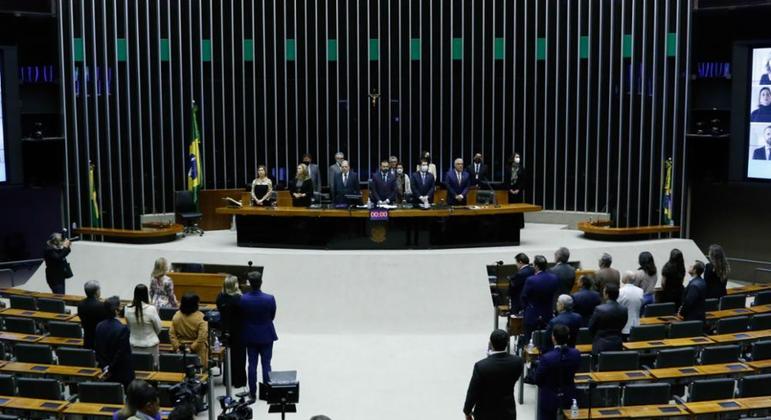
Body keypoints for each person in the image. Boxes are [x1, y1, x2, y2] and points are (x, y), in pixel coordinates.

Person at [463, 329, 523, 420]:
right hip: (507, 412)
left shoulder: (481, 366)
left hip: (485, 413)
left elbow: (473, 391)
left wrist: (467, 411)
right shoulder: (517, 362)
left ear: (490, 344)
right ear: (507, 344)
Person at [240, 271, 278, 400]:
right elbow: (272, 316)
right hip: (266, 334)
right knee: (266, 364)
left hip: (250, 335)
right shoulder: (269, 298)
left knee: (252, 365)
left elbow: (243, 316)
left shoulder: (243, 298)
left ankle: (252, 392)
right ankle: (267, 392)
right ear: (261, 282)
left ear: (249, 283)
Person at [534, 324, 581, 420]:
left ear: (553, 338)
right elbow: (576, 369)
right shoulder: (576, 354)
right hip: (568, 394)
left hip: (549, 396)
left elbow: (537, 379)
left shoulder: (547, 358)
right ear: (568, 337)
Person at [95, 296, 135, 387]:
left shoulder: (99, 326)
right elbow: (121, 353)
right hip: (121, 372)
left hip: (105, 370)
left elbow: (98, 348)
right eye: (120, 306)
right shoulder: (123, 329)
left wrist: (106, 367)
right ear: (116, 311)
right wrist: (111, 368)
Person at [521, 255, 560, 343]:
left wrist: (526, 308)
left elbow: (523, 297)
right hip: (548, 314)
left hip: (532, 315)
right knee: (546, 341)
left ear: (536, 266)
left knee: (529, 342)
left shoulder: (531, 280)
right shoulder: (554, 278)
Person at [216, 275, 246, 388]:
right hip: (238, 330)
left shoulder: (220, 297)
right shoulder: (239, 298)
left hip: (225, 329)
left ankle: (228, 379)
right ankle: (239, 381)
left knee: (228, 356)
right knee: (240, 356)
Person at [124, 284, 163, 366]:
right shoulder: (151, 309)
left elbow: (129, 327)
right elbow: (159, 327)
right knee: (153, 368)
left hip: (133, 344)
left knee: (135, 368)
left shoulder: (127, 308)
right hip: (150, 344)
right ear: (146, 294)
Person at [169, 292, 209, 368]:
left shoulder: (177, 315)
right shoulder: (201, 317)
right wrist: (191, 348)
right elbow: (202, 337)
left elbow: (172, 334)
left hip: (181, 349)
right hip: (198, 352)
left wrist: (177, 347)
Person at [587, 284, 627, 355]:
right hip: (617, 342)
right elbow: (623, 324)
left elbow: (591, 328)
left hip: (601, 343)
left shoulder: (599, 309)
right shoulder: (624, 309)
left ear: (607, 294)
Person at [78, 280, 110, 350]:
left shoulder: (80, 304)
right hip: (100, 339)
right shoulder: (102, 306)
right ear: (96, 292)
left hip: (87, 338)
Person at [618, 271, 644, 336]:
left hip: (623, 326)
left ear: (626, 279)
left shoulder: (620, 291)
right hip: (636, 324)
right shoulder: (640, 291)